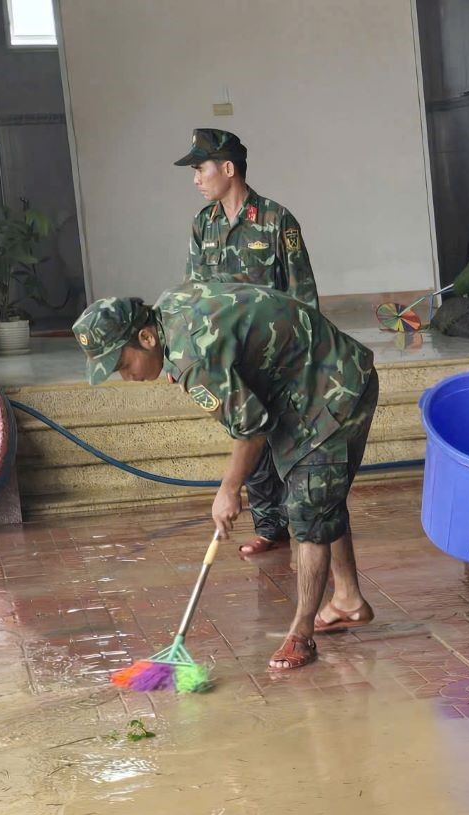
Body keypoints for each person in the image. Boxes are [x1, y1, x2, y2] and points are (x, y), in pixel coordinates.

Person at [73, 285, 378, 672]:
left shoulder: (192, 358)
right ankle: (348, 600)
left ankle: (301, 634)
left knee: (308, 505)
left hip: (334, 386)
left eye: (123, 364)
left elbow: (251, 429)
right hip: (301, 380)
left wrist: (229, 490)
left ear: (146, 337)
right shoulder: (170, 309)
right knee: (319, 495)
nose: (126, 376)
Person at [177, 128, 319, 561]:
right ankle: (270, 529)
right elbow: (195, 294)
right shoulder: (204, 225)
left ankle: (306, 527)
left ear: (227, 168)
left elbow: (303, 294)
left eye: (200, 169)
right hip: (229, 358)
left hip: (277, 354)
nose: (196, 179)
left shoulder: (278, 221)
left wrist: (306, 357)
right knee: (248, 439)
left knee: (285, 443)